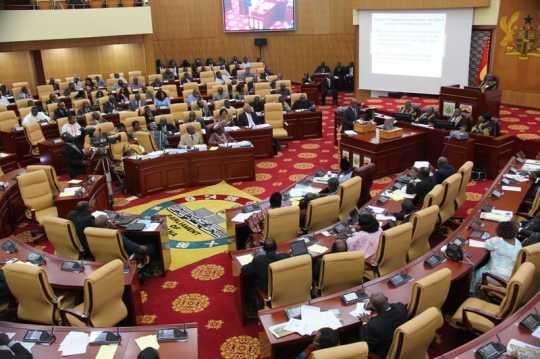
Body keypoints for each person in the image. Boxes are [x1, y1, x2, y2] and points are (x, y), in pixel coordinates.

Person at [471, 221, 522, 293]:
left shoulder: (497, 241)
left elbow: (486, 245)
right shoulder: (518, 242)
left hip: (496, 276)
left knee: (476, 271)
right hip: (510, 275)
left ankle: (472, 291)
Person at [241, 239, 289, 312]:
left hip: (267, 290)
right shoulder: (285, 257)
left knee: (249, 279)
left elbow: (244, 270)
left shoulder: (259, 260)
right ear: (276, 248)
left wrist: (255, 258)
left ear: (264, 249)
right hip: (284, 285)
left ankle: (251, 307)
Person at [357, 293, 408, 358]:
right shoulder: (401, 307)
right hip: (403, 345)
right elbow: (392, 306)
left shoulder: (374, 325)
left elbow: (366, 345)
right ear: (387, 299)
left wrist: (365, 323)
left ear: (373, 308)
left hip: (385, 352)